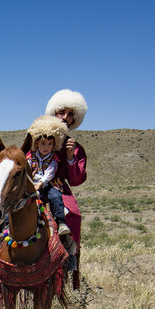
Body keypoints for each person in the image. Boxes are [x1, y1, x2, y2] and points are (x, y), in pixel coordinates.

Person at [42, 89, 89, 283]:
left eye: (70, 114)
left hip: (59, 188)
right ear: (54, 112)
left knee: (74, 214)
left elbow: (77, 180)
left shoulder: (74, 146)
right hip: (35, 184)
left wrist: (70, 157)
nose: (65, 117)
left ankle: (69, 256)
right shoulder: (39, 136)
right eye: (62, 112)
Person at [25, 114, 78, 264]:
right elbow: (27, 170)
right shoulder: (29, 157)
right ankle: (5, 228)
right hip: (31, 184)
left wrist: (39, 184)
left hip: (47, 185)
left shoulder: (54, 159)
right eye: (43, 144)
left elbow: (50, 173)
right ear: (36, 143)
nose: (46, 147)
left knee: (55, 197)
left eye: (49, 144)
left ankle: (61, 224)